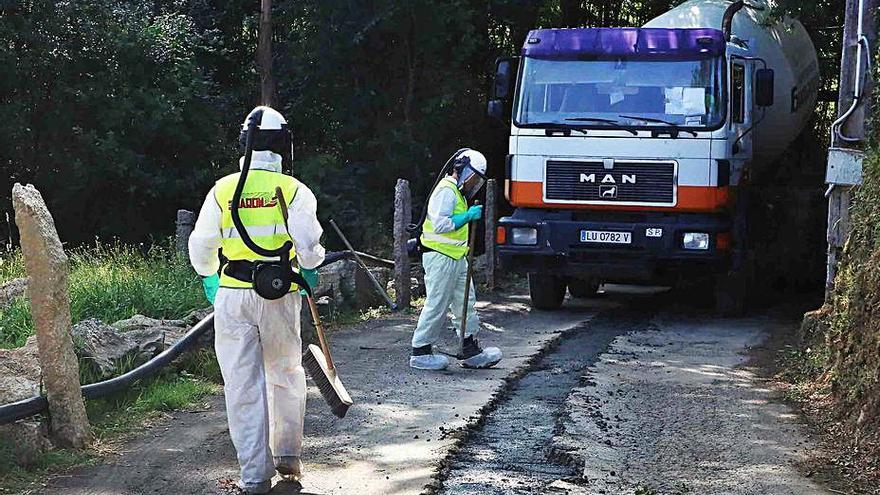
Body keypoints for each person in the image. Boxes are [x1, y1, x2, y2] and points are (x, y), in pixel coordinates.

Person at [188, 106, 325, 494]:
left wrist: (209, 277)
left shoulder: (223, 189)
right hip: (278, 293)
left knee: (241, 385)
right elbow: (310, 249)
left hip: (232, 294)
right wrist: (310, 267)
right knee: (285, 373)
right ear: (283, 144)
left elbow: (200, 248)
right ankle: (287, 456)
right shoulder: (294, 190)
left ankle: (254, 477)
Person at [410, 148, 503, 371]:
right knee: (438, 303)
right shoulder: (446, 191)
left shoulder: (457, 192)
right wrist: (467, 217)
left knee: (465, 302)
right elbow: (441, 224)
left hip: (457, 256)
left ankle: (469, 348)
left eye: (476, 180)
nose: (473, 183)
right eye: (472, 177)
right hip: (440, 256)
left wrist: (466, 214)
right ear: (461, 170)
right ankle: (420, 351)